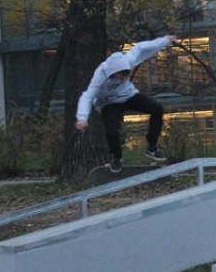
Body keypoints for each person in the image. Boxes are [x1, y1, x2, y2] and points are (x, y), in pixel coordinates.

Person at [75, 35, 177, 172]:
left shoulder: (127, 61)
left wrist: (164, 41)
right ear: (113, 73)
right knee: (111, 130)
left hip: (129, 96)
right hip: (108, 102)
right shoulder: (100, 74)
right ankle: (116, 157)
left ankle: (151, 148)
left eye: (126, 76)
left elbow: (142, 48)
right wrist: (82, 118)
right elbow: (87, 96)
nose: (124, 79)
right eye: (121, 77)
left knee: (157, 109)